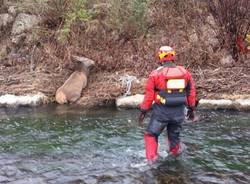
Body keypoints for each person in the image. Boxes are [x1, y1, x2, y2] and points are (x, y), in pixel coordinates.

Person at [138, 46, 196, 163]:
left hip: (161, 113)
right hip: (179, 113)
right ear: (173, 57)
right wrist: (191, 109)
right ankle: (174, 159)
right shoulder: (185, 73)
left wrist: (143, 111)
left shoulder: (155, 74)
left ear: (160, 57)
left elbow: (149, 96)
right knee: (174, 137)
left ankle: (151, 161)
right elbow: (191, 92)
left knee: (151, 135)